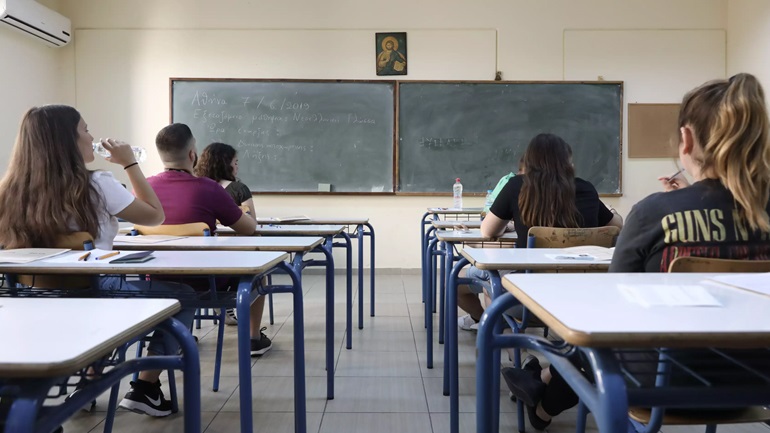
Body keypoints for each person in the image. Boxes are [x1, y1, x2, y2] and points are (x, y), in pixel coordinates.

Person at [503, 73, 770, 430]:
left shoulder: (654, 212)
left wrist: (679, 200)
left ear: (687, 140)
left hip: (661, 384)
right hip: (757, 380)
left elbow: (613, 308)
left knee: (595, 340)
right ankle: (542, 390)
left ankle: (542, 396)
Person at [0, 105, 195, 418]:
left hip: (29, 302)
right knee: (183, 296)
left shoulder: (8, 191)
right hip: (94, 295)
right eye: (85, 130)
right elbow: (155, 216)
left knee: (99, 294)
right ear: (67, 141)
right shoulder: (96, 184)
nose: (92, 137)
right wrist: (130, 162)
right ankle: (144, 388)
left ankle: (87, 380)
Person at [457, 134, 623, 331]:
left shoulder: (517, 185)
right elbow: (616, 226)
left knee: (461, 279)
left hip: (525, 300)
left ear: (529, 161)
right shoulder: (586, 189)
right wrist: (612, 211)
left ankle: (493, 330)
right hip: (584, 298)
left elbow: (487, 231)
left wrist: (509, 223)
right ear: (568, 162)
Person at [146, 123, 272, 356]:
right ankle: (253, 339)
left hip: (153, 279)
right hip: (204, 281)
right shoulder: (208, 188)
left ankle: (181, 337)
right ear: (192, 154)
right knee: (258, 270)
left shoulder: (144, 187)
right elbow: (248, 228)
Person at [194, 142, 255, 325]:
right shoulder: (238, 189)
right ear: (225, 164)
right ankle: (252, 333)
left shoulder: (195, 187)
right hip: (232, 257)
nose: (237, 167)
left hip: (196, 258)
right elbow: (251, 223)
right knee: (257, 270)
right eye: (235, 162)